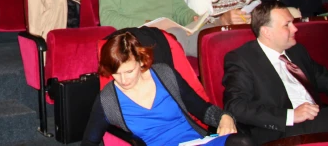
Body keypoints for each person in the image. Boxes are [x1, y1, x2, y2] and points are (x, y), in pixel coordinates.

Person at [223, 0, 328, 145]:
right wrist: (291, 116)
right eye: (287, 25)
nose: (295, 29)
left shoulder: (297, 51)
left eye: (293, 23)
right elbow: (236, 106)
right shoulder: (242, 59)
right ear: (266, 32)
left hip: (317, 119)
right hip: (282, 131)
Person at [81, 32, 247, 146]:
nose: (123, 80)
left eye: (129, 71)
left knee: (242, 142)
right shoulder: (108, 99)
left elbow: (200, 108)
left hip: (196, 141)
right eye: (116, 74)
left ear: (140, 61)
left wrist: (224, 116)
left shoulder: (165, 74)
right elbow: (89, 141)